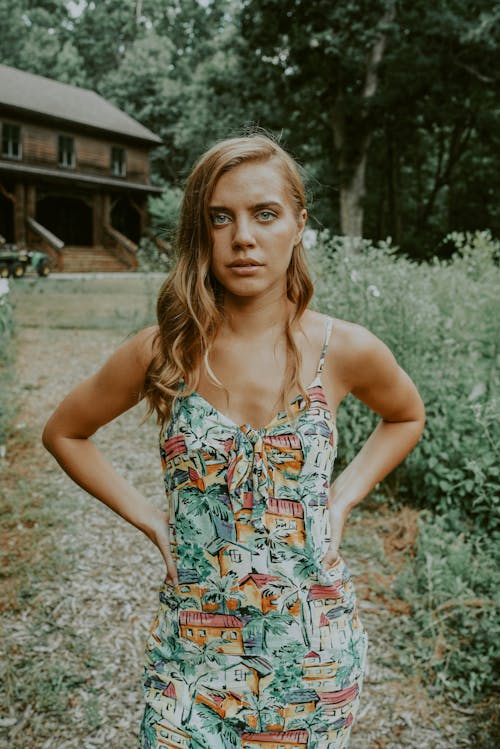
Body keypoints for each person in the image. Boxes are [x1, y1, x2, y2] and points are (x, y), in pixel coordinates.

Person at [42, 133, 426, 749]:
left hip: (311, 654)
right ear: (203, 230)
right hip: (191, 657)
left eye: (264, 214)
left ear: (299, 224)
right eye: (221, 218)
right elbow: (65, 432)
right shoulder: (164, 348)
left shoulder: (344, 350)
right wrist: (151, 520)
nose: (242, 237)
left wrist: (343, 498)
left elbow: (406, 416)